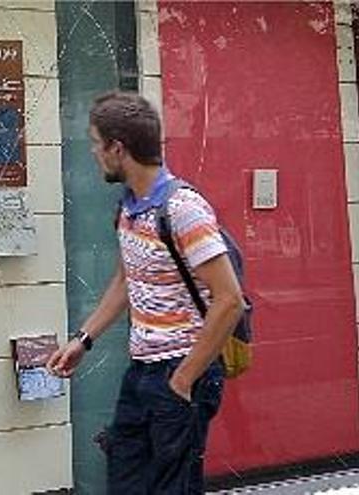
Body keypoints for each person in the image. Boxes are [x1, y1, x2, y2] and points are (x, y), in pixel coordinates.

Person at [46, 91, 244, 494]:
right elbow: (126, 278)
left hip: (180, 371)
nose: (94, 154)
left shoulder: (183, 209)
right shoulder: (130, 207)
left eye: (96, 145)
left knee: (172, 488)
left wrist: (184, 380)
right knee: (126, 481)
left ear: (118, 148)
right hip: (142, 371)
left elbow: (229, 300)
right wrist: (84, 339)